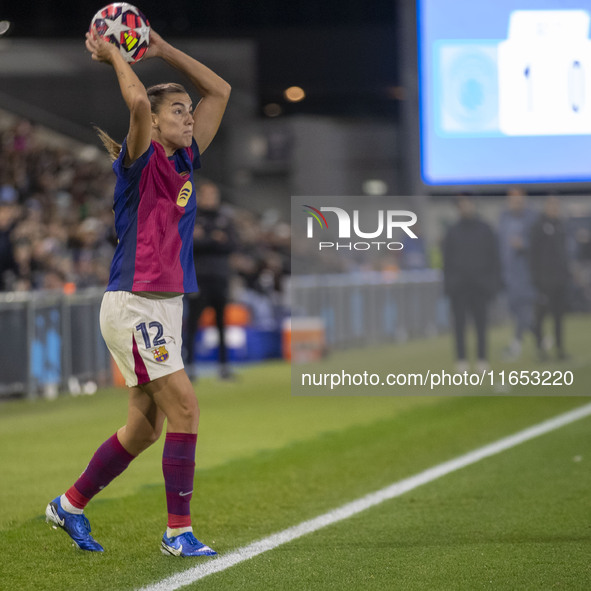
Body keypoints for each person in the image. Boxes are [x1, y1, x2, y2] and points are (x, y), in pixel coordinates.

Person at [45, 28, 230, 556]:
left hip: (162, 303)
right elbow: (134, 101)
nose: (188, 115)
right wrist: (114, 56)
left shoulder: (186, 160)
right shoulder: (141, 159)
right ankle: (178, 532)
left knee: (144, 430)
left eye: (186, 110)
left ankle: (70, 504)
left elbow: (221, 92)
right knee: (187, 410)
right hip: (134, 301)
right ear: (153, 121)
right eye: (176, 110)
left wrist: (166, 49)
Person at [442, 195, 502, 372]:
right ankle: (461, 359)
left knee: (481, 325)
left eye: (468, 204)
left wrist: (493, 284)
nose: (465, 208)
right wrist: (449, 286)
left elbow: (494, 258)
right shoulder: (452, 231)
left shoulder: (485, 229)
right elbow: (446, 262)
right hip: (459, 287)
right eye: (462, 205)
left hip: (480, 286)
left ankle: (482, 358)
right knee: (459, 326)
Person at [185, 181, 238, 380]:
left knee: (221, 323)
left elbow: (232, 244)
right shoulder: (193, 217)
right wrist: (214, 239)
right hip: (198, 278)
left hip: (220, 277)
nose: (211, 199)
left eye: (214, 195)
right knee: (193, 323)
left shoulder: (225, 218)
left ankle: (224, 367)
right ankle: (190, 367)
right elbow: (190, 244)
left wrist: (206, 239)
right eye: (207, 195)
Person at [497, 188, 537, 360]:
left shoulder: (532, 219)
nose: (516, 203)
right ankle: (541, 337)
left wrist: (524, 244)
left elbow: (538, 243)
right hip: (508, 274)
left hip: (526, 274)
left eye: (519, 200)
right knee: (515, 309)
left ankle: (516, 344)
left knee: (524, 309)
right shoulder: (504, 218)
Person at [529, 196, 570, 361]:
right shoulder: (538, 227)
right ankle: (540, 351)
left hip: (560, 279)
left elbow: (563, 253)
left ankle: (560, 349)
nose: (555, 209)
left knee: (559, 317)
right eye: (552, 205)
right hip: (544, 280)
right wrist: (537, 278)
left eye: (557, 206)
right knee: (540, 316)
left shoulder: (560, 226)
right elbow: (533, 255)